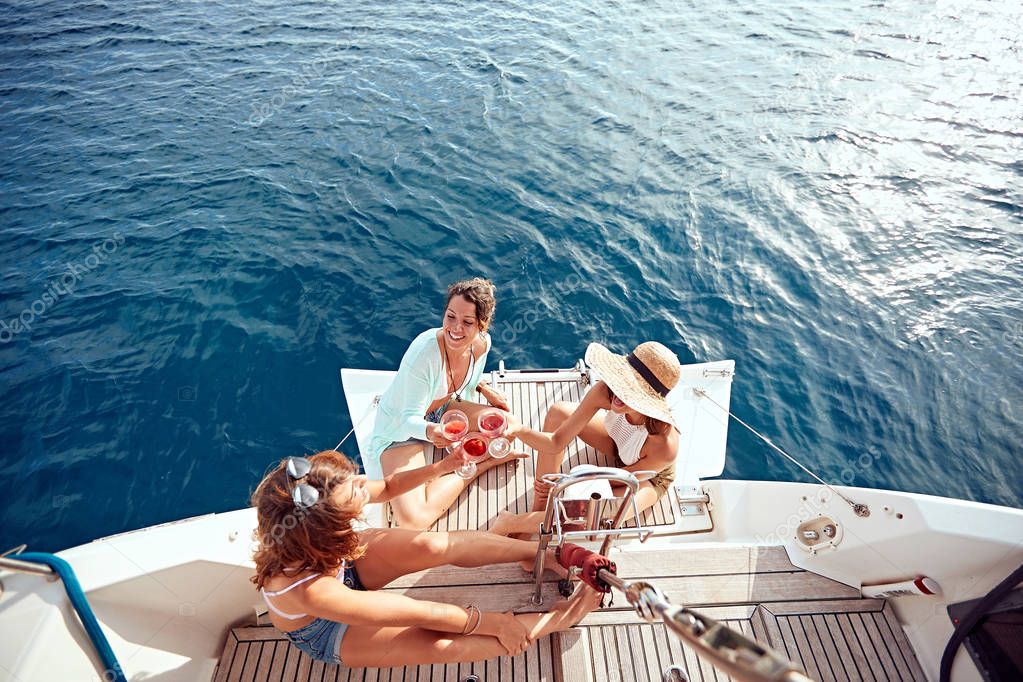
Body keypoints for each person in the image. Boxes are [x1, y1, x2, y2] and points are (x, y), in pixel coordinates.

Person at [251, 450, 600, 668]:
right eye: (354, 491)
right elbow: (422, 612)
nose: (362, 482)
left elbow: (387, 487)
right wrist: (496, 623)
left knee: (432, 545)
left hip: (340, 566)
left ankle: (546, 554)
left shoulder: (319, 509)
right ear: (330, 529)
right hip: (327, 629)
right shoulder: (309, 591)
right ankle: (559, 619)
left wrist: (446, 465)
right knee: (444, 645)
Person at [364, 277, 519, 530]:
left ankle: (468, 459)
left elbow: (465, 382)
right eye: (450, 317)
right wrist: (433, 431)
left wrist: (483, 388)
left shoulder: (481, 345)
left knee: (508, 427)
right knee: (413, 522)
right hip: (403, 430)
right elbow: (407, 418)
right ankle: (478, 466)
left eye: (467, 322)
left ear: (482, 325)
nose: (456, 328)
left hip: (445, 410)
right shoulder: (423, 354)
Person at [491, 341, 681, 535]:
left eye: (631, 392)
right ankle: (540, 504)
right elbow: (556, 441)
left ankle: (512, 523)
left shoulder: (664, 444)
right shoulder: (605, 391)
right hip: (616, 443)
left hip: (644, 478)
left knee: (592, 513)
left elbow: (622, 480)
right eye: (623, 382)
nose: (620, 393)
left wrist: (570, 482)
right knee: (559, 413)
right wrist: (519, 429)